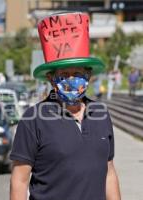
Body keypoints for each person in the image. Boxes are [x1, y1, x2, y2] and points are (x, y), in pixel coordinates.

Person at [10, 12, 121, 200]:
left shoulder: (101, 114)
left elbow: (109, 172)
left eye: (77, 73)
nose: (71, 79)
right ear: (51, 78)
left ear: (88, 76)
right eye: (64, 73)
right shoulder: (33, 119)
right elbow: (19, 181)